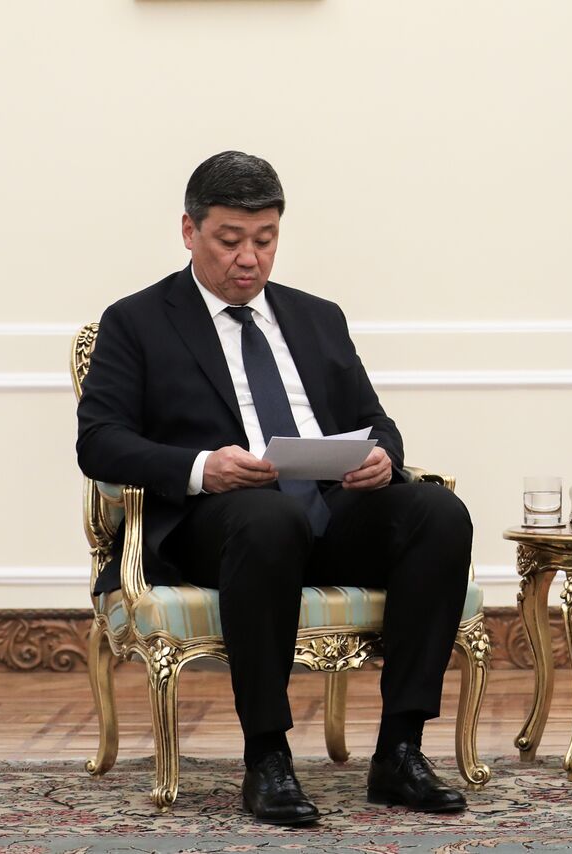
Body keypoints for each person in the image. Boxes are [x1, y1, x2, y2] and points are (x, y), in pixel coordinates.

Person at [77, 151, 473, 825]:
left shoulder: (317, 317)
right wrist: (204, 466)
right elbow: (100, 441)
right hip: (219, 526)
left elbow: (376, 422)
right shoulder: (137, 321)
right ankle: (267, 758)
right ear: (189, 231)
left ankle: (400, 752)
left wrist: (381, 458)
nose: (249, 259)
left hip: (325, 511)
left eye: (265, 241)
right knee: (267, 519)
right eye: (230, 240)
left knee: (438, 512)